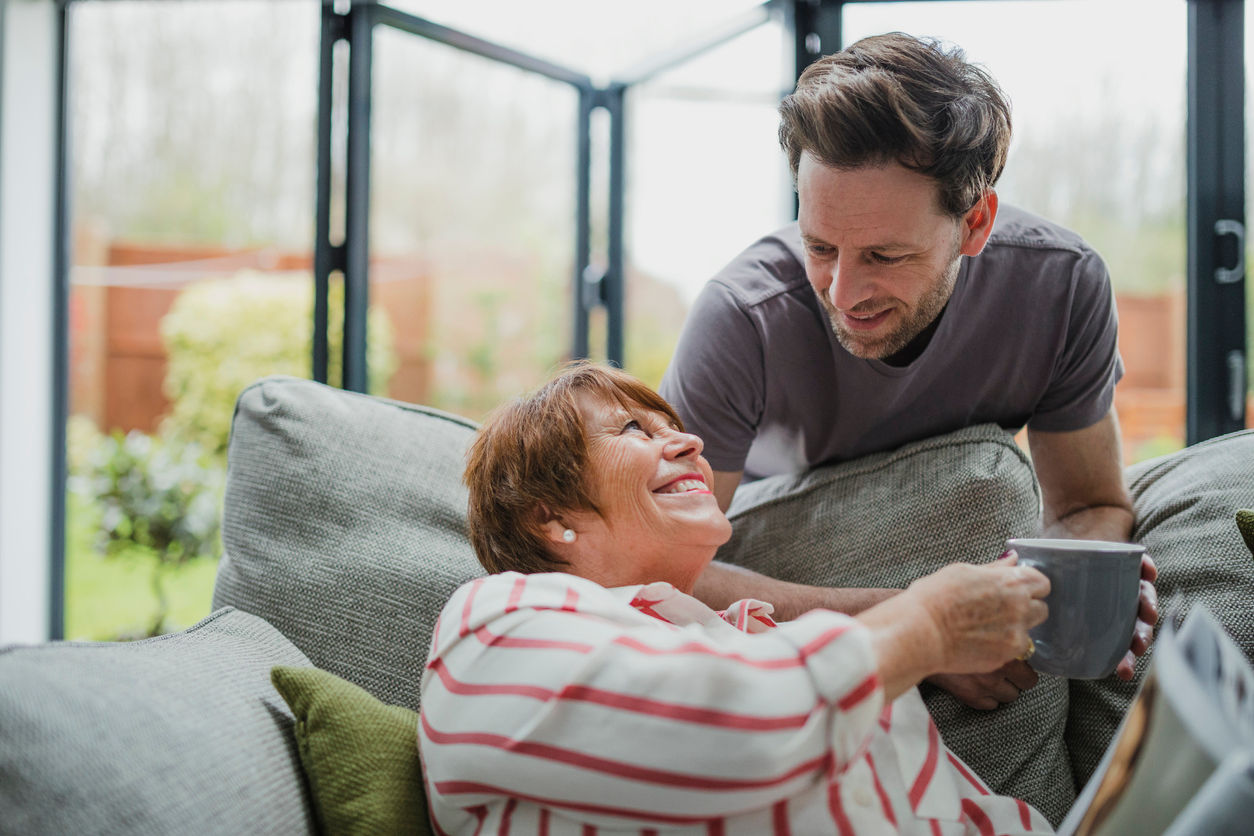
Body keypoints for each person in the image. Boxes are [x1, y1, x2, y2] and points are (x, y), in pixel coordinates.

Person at [657, 32, 1157, 709]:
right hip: (780, 593)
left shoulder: (1062, 287)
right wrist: (925, 626)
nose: (842, 292)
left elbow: (1092, 505)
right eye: (820, 246)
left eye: (886, 256)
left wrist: (1072, 584)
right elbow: (656, 568)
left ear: (975, 224)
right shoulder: (741, 317)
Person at [420, 361, 1055, 835]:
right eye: (633, 430)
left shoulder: (759, 640)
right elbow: (733, 736)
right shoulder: (493, 623)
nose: (690, 442)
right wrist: (929, 626)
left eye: (674, 425)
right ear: (549, 516)